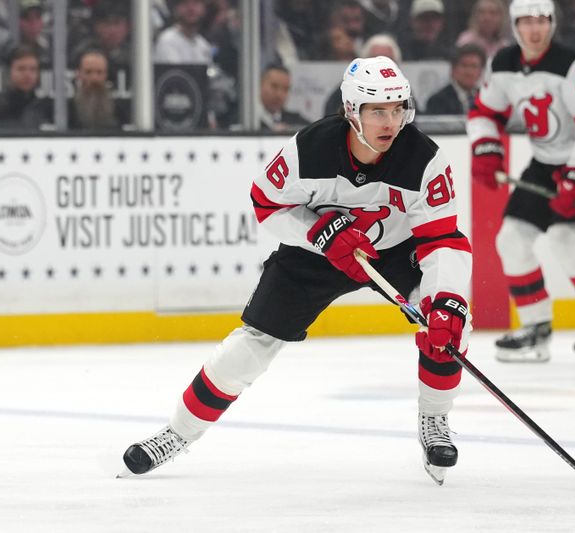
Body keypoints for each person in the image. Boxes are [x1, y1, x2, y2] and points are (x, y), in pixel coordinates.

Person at [121, 56, 473, 485]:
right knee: (250, 345)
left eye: (398, 109)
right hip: (315, 255)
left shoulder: (425, 161)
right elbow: (266, 205)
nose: (391, 121)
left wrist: (447, 300)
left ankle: (435, 419)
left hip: (396, 253)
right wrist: (320, 233)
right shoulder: (309, 148)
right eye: (378, 110)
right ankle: (177, 433)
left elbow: (442, 241)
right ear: (351, 111)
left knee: (451, 323)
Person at [467, 0, 575, 365]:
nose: (534, 29)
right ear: (514, 25)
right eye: (526, 21)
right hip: (547, 163)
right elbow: (484, 112)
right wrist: (486, 147)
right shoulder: (504, 63)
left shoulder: (574, 64)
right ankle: (536, 329)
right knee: (512, 238)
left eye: (541, 21)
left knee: (568, 240)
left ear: (552, 24)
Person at [322, 33, 403, 117]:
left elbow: (415, 120)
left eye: (387, 60)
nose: (380, 66)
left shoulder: (403, 91)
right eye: (374, 60)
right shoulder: (345, 91)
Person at [0, 44, 50, 130]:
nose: (28, 75)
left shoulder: (44, 107)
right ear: (9, 72)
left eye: (33, 69)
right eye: (21, 69)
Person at [69, 49, 129, 130]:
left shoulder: (119, 111)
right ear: (79, 74)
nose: (94, 78)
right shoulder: (69, 109)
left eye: (99, 72)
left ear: (106, 75)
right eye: (88, 72)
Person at [425, 44, 486, 115]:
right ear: (453, 70)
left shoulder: (486, 99)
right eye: (464, 65)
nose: (469, 72)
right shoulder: (437, 101)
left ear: (481, 72)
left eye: (474, 66)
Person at [153, 0, 212, 65]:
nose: (191, 8)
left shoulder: (203, 45)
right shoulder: (167, 41)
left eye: (196, 3)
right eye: (185, 3)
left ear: (204, 9)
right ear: (176, 10)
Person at [258, 64, 310, 132]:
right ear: (260, 84)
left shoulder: (297, 122)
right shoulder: (246, 120)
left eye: (285, 89)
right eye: (274, 86)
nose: (279, 94)